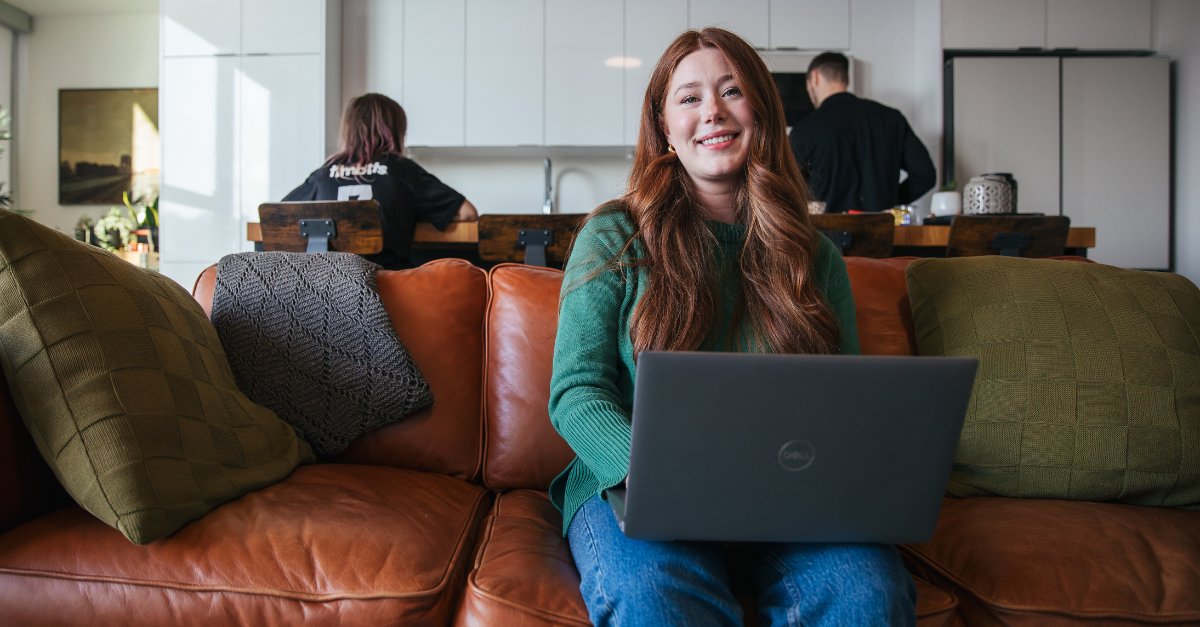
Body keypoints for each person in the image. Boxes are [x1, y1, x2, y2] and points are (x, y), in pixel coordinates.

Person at [549, 28, 916, 627]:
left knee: (868, 591)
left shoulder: (814, 256)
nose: (712, 111)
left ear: (763, 113)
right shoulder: (613, 238)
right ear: (665, 128)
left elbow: (842, 406)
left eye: (732, 91)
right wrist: (660, 479)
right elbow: (576, 394)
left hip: (784, 499)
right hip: (635, 488)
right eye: (689, 98)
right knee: (653, 595)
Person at [283, 93, 478, 269]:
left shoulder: (324, 173)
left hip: (330, 287)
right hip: (386, 285)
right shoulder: (401, 169)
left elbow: (282, 216)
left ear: (349, 129)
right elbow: (468, 213)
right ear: (395, 131)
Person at [790, 52, 936, 214]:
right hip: (880, 233)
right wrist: (890, 200)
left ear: (814, 78)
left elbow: (786, 187)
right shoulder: (891, 119)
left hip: (827, 236)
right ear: (847, 80)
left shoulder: (805, 129)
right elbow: (925, 175)